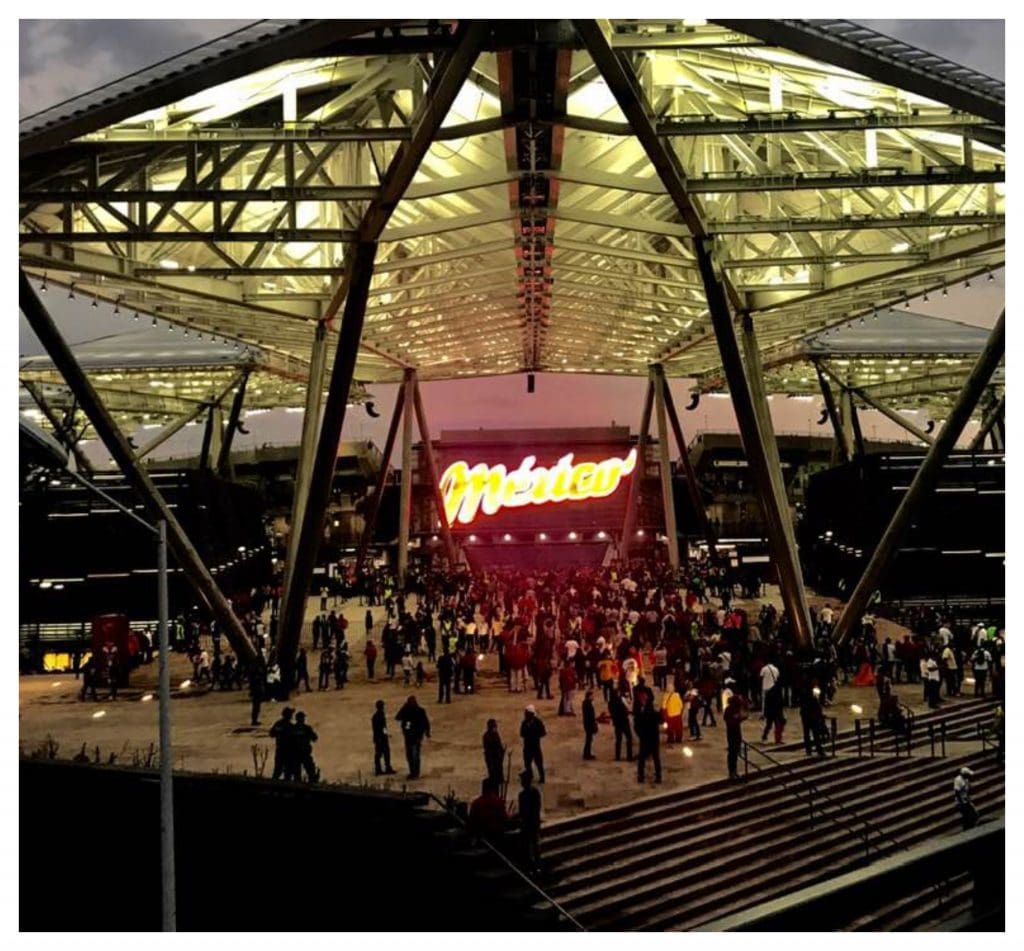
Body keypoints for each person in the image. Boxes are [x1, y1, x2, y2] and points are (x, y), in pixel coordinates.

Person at [395, 694, 431, 779]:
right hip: (408, 737)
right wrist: (403, 707)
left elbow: (426, 723)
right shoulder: (406, 711)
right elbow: (397, 717)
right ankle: (412, 772)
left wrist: (427, 732)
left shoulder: (420, 711)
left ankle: (415, 773)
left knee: (415, 755)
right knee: (410, 756)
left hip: (416, 737)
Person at [633, 690, 662, 784]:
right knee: (656, 758)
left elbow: (636, 726)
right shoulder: (655, 714)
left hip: (645, 740)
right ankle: (658, 776)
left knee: (641, 759)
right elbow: (661, 721)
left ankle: (641, 777)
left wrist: (640, 735)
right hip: (654, 740)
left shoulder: (641, 715)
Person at [468, 778, 508, 844]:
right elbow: (504, 819)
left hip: (482, 837)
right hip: (498, 836)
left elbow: (471, 822)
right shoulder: (499, 802)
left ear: (483, 788)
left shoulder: (476, 803)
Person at [517, 770, 543, 875]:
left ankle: (531, 866)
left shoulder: (522, 795)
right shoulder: (535, 792)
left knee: (528, 846)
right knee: (535, 844)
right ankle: (537, 865)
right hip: (534, 822)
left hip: (527, 823)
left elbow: (522, 811)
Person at [724, 693, 749, 780]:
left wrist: (740, 717)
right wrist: (738, 718)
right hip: (732, 734)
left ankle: (734, 771)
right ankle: (732, 772)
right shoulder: (729, 710)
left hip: (736, 733)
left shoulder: (735, 709)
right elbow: (730, 722)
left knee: (735, 753)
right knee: (732, 754)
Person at [520, 705, 547, 783]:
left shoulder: (538, 722)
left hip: (535, 746)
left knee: (539, 763)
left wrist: (535, 735)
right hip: (527, 746)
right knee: (527, 763)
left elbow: (543, 732)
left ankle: (542, 777)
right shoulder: (524, 722)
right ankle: (529, 775)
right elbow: (521, 733)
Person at [270, 707, 296, 780]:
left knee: (283, 770)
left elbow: (272, 733)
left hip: (284, 750)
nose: (291, 716)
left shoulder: (281, 724)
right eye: (290, 714)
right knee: (282, 770)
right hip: (284, 751)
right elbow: (272, 733)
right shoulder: (289, 726)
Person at [800, 684, 826, 757]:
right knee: (815, 734)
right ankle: (818, 749)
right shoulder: (812, 698)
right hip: (812, 718)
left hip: (806, 717)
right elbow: (816, 708)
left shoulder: (804, 695)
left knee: (807, 734)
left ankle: (809, 750)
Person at [372, 700, 396, 776]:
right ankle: (380, 768)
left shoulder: (378, 715)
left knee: (383, 753)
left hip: (380, 737)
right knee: (381, 754)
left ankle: (382, 768)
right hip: (380, 738)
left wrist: (386, 734)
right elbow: (381, 728)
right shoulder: (378, 716)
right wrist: (385, 734)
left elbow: (383, 727)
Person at [609, 688, 634, 761]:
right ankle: (629, 756)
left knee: (618, 739)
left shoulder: (610, 702)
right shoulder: (619, 701)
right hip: (624, 722)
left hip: (617, 723)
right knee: (629, 738)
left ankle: (617, 756)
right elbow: (625, 710)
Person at [483, 719, 505, 786]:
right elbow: (487, 747)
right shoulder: (486, 736)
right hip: (490, 756)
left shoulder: (495, 734)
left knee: (499, 767)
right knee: (492, 769)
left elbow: (499, 743)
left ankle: (500, 779)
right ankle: (493, 780)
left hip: (497, 755)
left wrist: (501, 751)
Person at [582, 689, 599, 760]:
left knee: (589, 739)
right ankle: (587, 754)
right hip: (589, 724)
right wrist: (594, 724)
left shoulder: (585, 703)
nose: (593, 697)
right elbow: (590, 716)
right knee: (588, 739)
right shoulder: (588, 704)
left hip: (587, 724)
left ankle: (587, 753)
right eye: (592, 696)